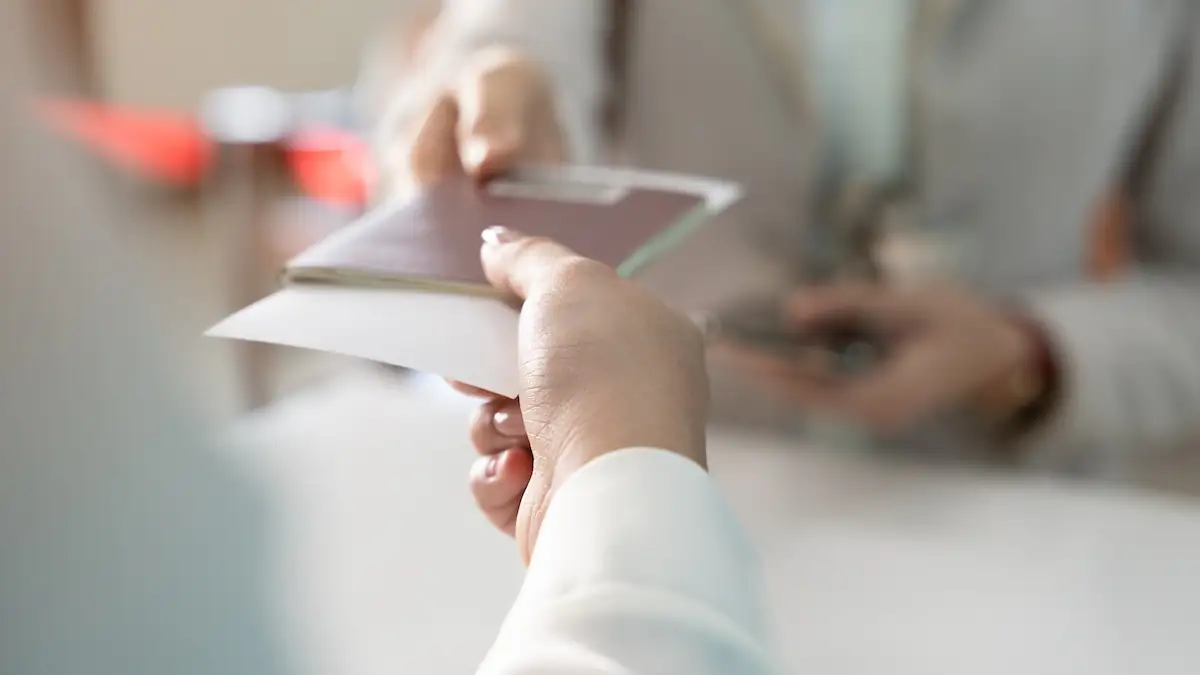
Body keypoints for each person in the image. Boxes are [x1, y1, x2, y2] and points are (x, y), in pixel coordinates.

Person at [0, 6, 774, 671]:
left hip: (814, 466)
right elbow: (504, 39)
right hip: (655, 459)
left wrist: (626, 474)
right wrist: (493, 77)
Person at [365, 0, 1200, 471]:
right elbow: (504, 43)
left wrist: (1030, 354)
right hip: (667, 488)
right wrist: (494, 85)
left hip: (1013, 518)